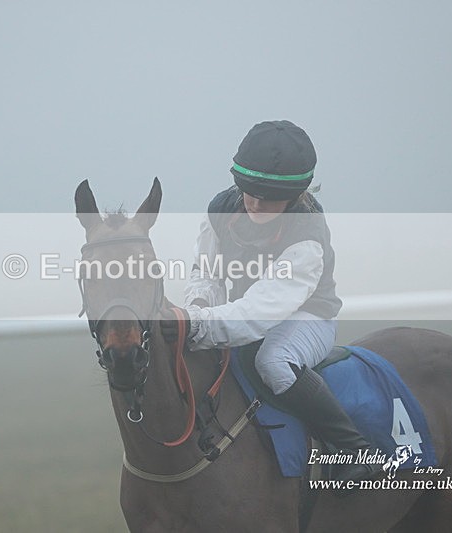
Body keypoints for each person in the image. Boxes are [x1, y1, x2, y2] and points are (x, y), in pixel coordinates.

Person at [161, 120, 382, 482]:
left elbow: (260, 312)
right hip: (246, 310)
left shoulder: (306, 236)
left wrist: (198, 325)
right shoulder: (222, 210)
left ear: (296, 195)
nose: (256, 204)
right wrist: (198, 307)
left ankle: (353, 449)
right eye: (250, 191)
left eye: (269, 197)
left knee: (273, 361)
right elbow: (207, 271)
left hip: (307, 316)